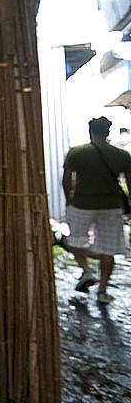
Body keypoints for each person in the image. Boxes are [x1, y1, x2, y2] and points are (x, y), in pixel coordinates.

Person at [62, 116, 131, 304]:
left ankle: (86, 270)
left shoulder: (77, 152)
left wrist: (69, 200)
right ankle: (102, 291)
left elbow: (66, 178)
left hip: (82, 204)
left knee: (74, 240)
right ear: (108, 132)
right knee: (108, 250)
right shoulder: (121, 155)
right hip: (111, 206)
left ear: (90, 131)